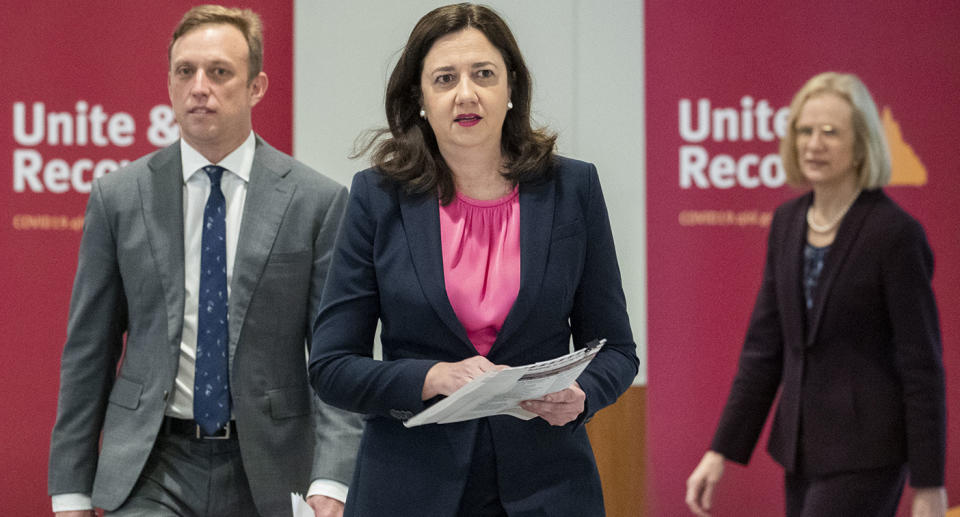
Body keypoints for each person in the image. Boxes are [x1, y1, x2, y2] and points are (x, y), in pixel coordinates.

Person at [308, 3, 639, 516]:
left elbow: (616, 349)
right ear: (420, 99)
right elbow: (331, 366)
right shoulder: (378, 197)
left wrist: (582, 394)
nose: (466, 93)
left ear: (511, 89)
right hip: (410, 489)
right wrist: (432, 377)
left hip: (549, 489)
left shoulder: (572, 190)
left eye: (484, 74)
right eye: (445, 78)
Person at [47, 5, 362, 516]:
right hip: (152, 464)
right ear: (170, 84)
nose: (199, 87)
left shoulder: (315, 201)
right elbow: (89, 351)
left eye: (219, 72)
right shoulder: (120, 197)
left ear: (255, 87)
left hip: (269, 465)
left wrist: (332, 478)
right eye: (185, 71)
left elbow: (335, 356)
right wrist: (71, 490)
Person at [685, 72, 947, 517]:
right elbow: (763, 352)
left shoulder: (895, 234)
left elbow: (921, 366)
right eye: (804, 131)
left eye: (831, 132)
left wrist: (929, 484)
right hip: (801, 451)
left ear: (862, 143)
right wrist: (720, 452)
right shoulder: (788, 222)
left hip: (869, 454)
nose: (814, 143)